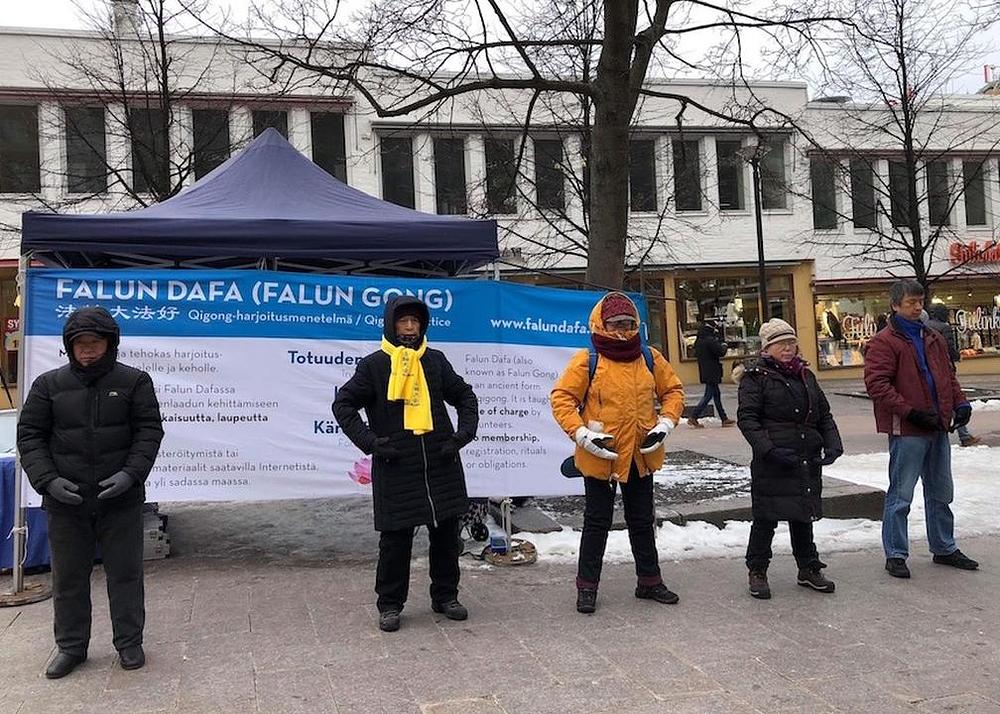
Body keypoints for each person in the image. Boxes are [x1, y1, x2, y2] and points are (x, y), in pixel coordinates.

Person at [17, 307, 164, 679]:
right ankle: (71, 646)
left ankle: (129, 642)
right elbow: (30, 436)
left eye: (94, 342)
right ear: (69, 347)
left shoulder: (135, 382)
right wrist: (48, 481)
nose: (87, 351)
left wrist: (130, 475)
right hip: (66, 503)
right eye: (79, 344)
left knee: (125, 574)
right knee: (68, 578)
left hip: (121, 500)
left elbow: (149, 432)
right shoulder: (48, 385)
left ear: (109, 344)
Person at [333, 296, 479, 632]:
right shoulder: (374, 366)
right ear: (390, 324)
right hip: (396, 466)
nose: (410, 328)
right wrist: (371, 443)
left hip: (440, 464)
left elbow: (465, 396)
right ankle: (390, 604)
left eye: (415, 322)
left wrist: (462, 435)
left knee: (445, 537)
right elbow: (344, 405)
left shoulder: (436, 361)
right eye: (403, 322)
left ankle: (446, 596)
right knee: (395, 542)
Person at [550, 292, 685, 614]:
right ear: (601, 324)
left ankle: (649, 581)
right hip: (602, 455)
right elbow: (562, 398)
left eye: (628, 324)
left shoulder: (649, 357)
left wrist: (665, 424)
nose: (622, 331)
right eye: (615, 325)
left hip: (641, 453)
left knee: (641, 520)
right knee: (597, 522)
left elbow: (673, 391)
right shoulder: (588, 360)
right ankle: (587, 587)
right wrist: (581, 434)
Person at [864, 279, 978, 579]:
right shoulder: (884, 342)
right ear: (895, 305)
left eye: (920, 301)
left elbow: (947, 377)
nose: (917, 307)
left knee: (941, 491)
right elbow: (877, 385)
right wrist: (910, 412)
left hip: (938, 426)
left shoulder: (932, 337)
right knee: (901, 494)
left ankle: (944, 546)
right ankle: (896, 553)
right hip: (909, 430)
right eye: (911, 303)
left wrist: (960, 403)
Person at [735, 318, 843, 599]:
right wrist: (768, 449)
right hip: (773, 460)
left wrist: (832, 443)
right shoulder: (755, 377)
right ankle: (757, 569)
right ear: (767, 348)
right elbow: (747, 419)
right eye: (780, 343)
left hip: (804, 456)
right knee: (766, 517)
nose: (788, 348)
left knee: (802, 515)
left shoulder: (806, 376)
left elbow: (823, 414)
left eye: (791, 342)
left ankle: (808, 567)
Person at [923, 305, 980, 446]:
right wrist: (956, 357)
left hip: (928, 368)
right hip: (943, 366)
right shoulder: (944, 327)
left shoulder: (924, 326)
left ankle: (963, 434)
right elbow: (948, 347)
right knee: (950, 396)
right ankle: (964, 434)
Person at [688, 319, 735, 428]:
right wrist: (723, 344)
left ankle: (724, 418)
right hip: (712, 371)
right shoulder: (709, 340)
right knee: (709, 395)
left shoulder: (699, 341)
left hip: (705, 370)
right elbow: (721, 351)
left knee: (716, 395)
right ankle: (694, 416)